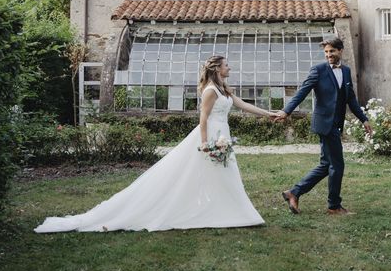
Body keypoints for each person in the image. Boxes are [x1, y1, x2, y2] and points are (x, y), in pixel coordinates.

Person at [35, 55, 277, 233]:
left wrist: (269, 114)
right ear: (217, 69)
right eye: (227, 65)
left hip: (223, 134)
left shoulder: (224, 89)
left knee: (222, 174)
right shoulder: (210, 91)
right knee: (213, 173)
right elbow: (203, 118)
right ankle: (237, 213)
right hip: (212, 137)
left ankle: (229, 211)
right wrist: (204, 143)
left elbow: (244, 105)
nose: (230, 67)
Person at [274, 37, 373, 215]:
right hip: (324, 123)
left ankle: (294, 192)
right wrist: (286, 111)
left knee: (327, 164)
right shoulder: (318, 70)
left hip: (336, 123)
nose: (329, 55)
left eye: (332, 51)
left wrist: (363, 119)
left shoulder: (346, 71)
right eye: (326, 52)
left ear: (340, 51)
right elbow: (303, 91)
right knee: (337, 165)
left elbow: (350, 99)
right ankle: (333, 206)